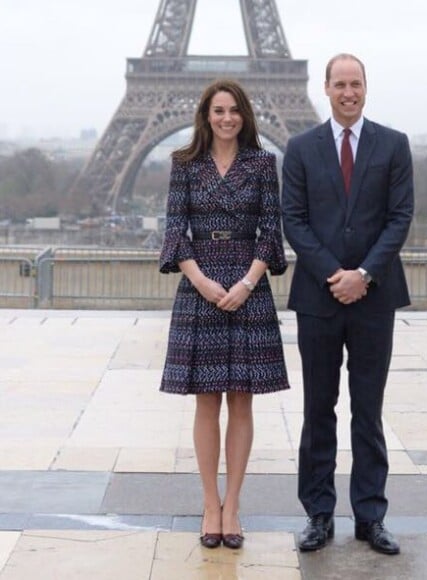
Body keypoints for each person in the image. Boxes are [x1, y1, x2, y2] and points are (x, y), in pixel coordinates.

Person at [281, 53, 414, 555]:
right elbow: (293, 220)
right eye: (340, 84)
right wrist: (335, 273)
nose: (348, 92)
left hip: (374, 296)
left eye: (355, 83)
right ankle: (318, 513)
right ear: (325, 88)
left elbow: (400, 218)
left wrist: (365, 274)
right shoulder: (300, 148)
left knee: (368, 410)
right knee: (319, 410)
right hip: (320, 296)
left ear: (365, 87)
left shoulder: (394, 145)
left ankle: (370, 515)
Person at [159, 79, 289, 550]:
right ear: (206, 115)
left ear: (245, 115)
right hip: (201, 284)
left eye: (234, 110)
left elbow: (270, 232)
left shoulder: (262, 163)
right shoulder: (184, 165)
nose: (227, 117)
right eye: (218, 110)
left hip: (247, 284)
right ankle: (209, 503)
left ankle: (232, 505)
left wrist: (247, 282)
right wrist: (202, 281)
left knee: (241, 399)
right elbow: (175, 230)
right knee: (206, 401)